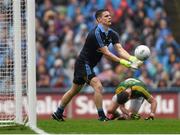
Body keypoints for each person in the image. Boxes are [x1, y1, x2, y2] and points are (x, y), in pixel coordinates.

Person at [52, 9, 142, 122]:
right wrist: (124, 63)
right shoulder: (95, 34)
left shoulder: (112, 34)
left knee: (74, 90)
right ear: (99, 19)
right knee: (98, 86)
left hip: (88, 64)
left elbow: (119, 49)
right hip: (84, 63)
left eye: (109, 15)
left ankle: (58, 113)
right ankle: (101, 116)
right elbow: (107, 53)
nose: (109, 17)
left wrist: (132, 58)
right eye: (106, 16)